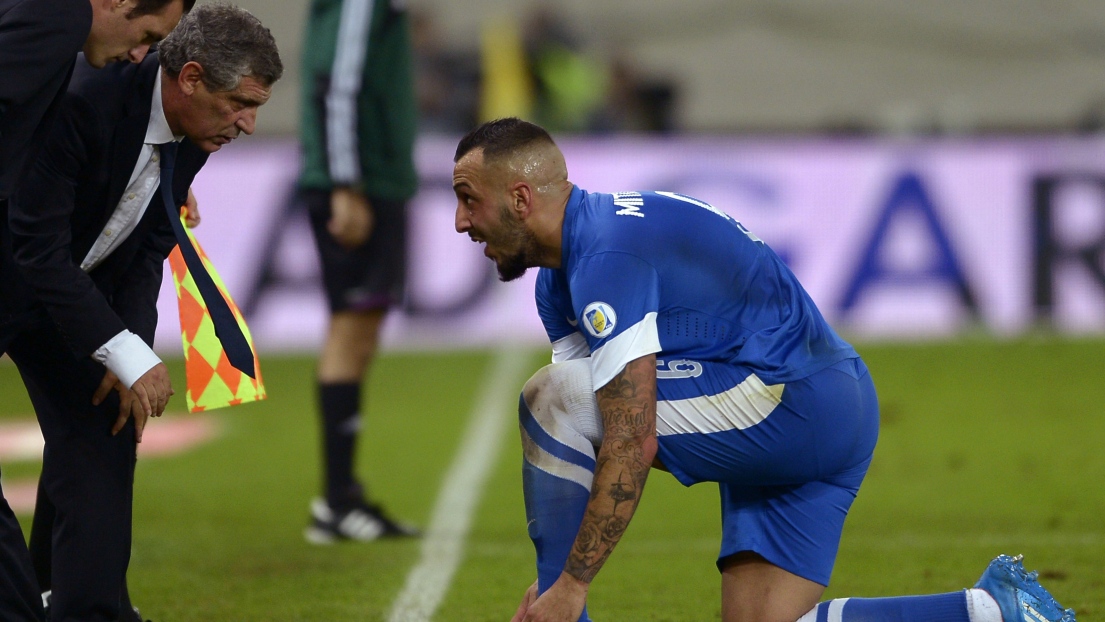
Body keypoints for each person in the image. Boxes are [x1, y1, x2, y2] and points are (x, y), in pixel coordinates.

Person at [450, 118, 1077, 622]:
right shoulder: (564, 277)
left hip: (793, 403)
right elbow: (586, 441)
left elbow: (626, 435)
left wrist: (568, 587)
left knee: (550, 396)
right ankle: (990, 610)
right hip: (815, 400)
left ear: (521, 197)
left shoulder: (607, 256)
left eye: (467, 199)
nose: (459, 222)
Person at [0, 4, 282, 619]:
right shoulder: (86, 97)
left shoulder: (196, 130)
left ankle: (86, 608)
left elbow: (150, 245)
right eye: (241, 102)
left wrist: (129, 350)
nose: (249, 124)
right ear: (190, 78)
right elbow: (34, 246)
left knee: (107, 418)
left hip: (64, 299)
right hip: (18, 274)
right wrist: (124, 349)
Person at [298, 0, 420, 543]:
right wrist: (347, 183)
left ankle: (342, 496)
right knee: (349, 330)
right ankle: (337, 500)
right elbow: (337, 86)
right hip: (357, 183)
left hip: (374, 180)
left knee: (361, 331)